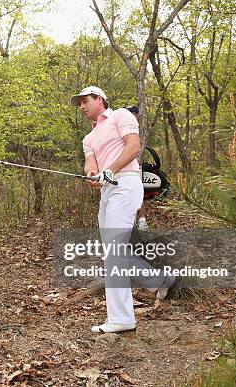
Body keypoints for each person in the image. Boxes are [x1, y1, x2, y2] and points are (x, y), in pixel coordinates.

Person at [71, 86, 174, 334]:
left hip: (126, 184)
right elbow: (90, 162)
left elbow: (133, 147)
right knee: (112, 253)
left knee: (114, 253)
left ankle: (122, 319)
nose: (82, 107)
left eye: (86, 101)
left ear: (100, 100)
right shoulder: (89, 138)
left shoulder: (120, 116)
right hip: (107, 190)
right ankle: (160, 281)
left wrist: (110, 171)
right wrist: (92, 175)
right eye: (80, 104)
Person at [124, 105, 148, 231]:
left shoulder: (138, 128)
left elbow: (138, 147)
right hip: (125, 167)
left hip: (135, 165)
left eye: (132, 114)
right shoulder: (124, 126)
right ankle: (131, 221)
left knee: (138, 193)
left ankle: (142, 219)